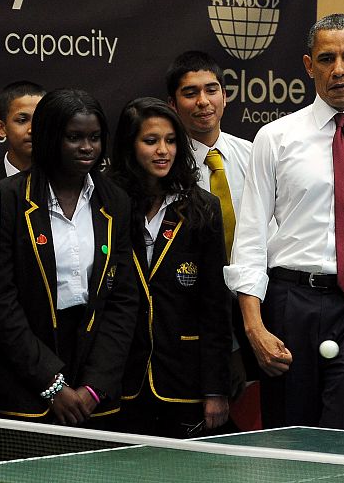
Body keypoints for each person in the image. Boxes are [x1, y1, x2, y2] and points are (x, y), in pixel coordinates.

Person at [224, 13, 344, 431]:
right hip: (290, 303)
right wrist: (254, 327)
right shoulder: (275, 138)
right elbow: (250, 237)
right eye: (326, 58)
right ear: (308, 65)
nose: (339, 70)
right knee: (290, 434)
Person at [0, 89, 138, 426]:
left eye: (95, 138)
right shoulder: (8, 198)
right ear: (51, 137)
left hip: (93, 377)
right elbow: (0, 300)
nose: (87, 147)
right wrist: (53, 385)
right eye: (74, 137)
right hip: (23, 380)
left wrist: (94, 387)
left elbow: (123, 301)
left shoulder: (116, 201)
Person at [108, 97, 231, 438]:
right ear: (130, 145)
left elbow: (215, 306)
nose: (163, 150)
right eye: (150, 141)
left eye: (171, 140)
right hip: (121, 378)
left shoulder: (203, 207)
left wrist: (215, 389)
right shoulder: (107, 203)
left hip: (184, 376)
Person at [166, 51, 258, 404]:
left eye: (211, 89)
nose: (203, 101)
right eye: (190, 93)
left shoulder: (253, 156)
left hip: (253, 306)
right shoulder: (166, 166)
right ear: (172, 104)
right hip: (193, 316)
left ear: (225, 95)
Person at [0, 80, 45, 178]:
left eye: (40, 120)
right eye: (22, 120)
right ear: (1, 128)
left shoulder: (67, 184)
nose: (32, 129)